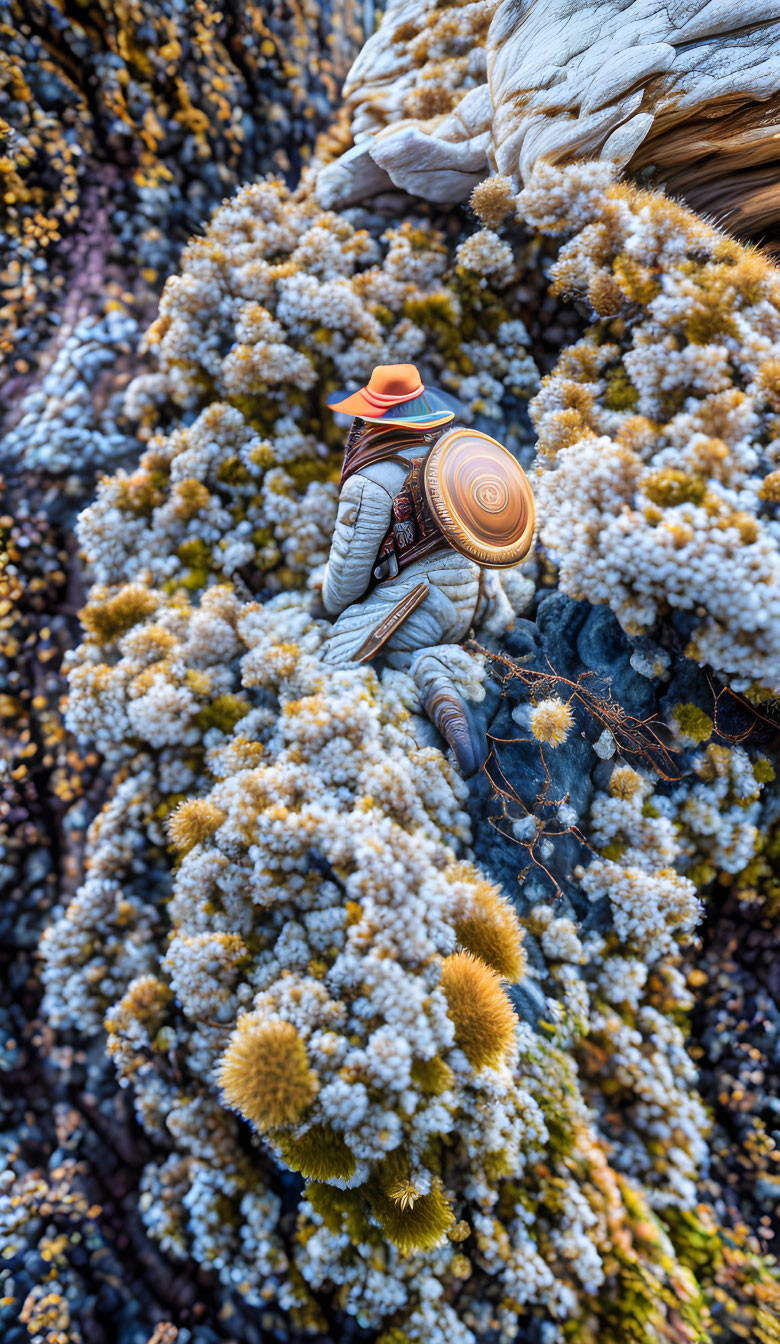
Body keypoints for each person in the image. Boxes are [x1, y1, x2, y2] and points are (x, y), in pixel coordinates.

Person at [321, 363, 534, 776]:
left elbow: (344, 586)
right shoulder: (458, 455)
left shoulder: (370, 482)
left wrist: (325, 600)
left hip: (417, 610)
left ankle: (434, 681)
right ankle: (470, 667)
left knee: (347, 665)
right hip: (479, 599)